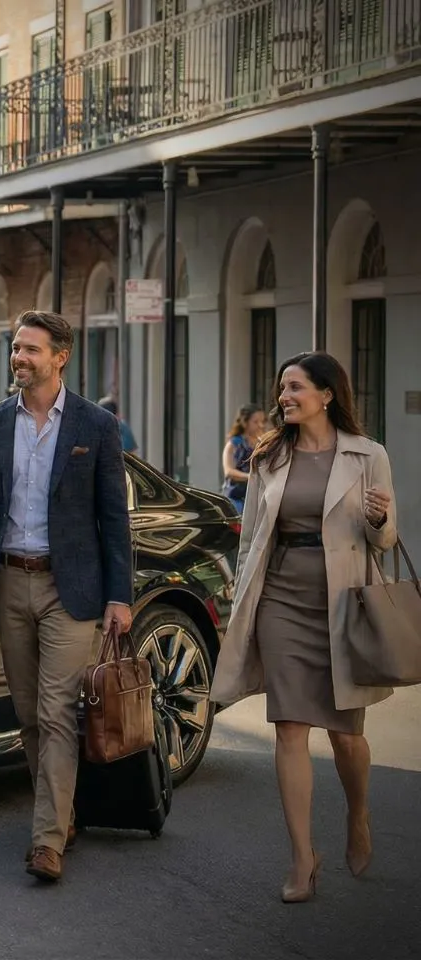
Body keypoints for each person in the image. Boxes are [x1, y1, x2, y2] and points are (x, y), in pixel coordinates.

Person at [0, 310, 133, 884]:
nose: (19, 357)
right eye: (16, 348)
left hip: (70, 588)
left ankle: (46, 840)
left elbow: (112, 517)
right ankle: (63, 813)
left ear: (60, 356)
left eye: (31, 349)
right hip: (7, 581)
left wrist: (119, 596)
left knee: (56, 711)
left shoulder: (95, 426)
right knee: (28, 712)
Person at [211, 352, 397, 904]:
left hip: (343, 602)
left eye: (294, 387)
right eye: (282, 388)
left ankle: (358, 815)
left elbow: (385, 541)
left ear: (326, 394)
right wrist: (242, 595)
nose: (284, 396)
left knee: (346, 737)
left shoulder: (369, 455)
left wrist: (381, 518)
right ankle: (302, 858)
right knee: (290, 728)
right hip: (282, 599)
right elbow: (252, 539)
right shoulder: (270, 454)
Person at [222, 403, 267, 515]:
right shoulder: (235, 443)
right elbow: (229, 471)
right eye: (256, 422)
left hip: (259, 496)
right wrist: (252, 477)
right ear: (244, 422)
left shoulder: (264, 443)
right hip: (237, 497)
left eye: (263, 421)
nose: (260, 425)